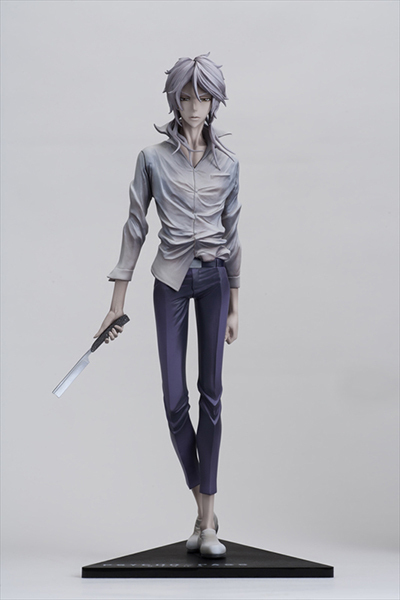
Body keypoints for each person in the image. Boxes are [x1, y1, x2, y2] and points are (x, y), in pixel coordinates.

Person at [94, 53, 241, 559]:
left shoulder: (229, 164)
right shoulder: (152, 158)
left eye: (203, 96)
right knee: (175, 400)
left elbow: (234, 234)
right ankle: (205, 507)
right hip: (170, 281)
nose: (194, 105)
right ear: (175, 100)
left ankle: (207, 523)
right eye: (186, 96)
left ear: (214, 102)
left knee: (212, 396)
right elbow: (135, 227)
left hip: (215, 279)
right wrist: (116, 303)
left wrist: (236, 303)